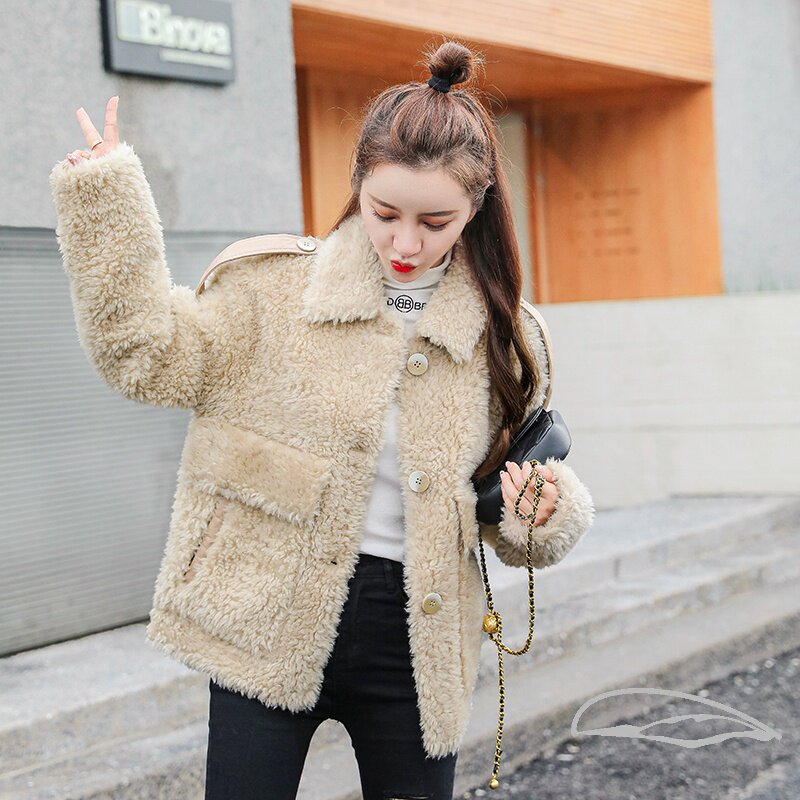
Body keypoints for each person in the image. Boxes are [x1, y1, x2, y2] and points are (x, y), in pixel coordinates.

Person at [51, 39, 595, 800]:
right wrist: (107, 201)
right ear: (358, 185)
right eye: (385, 213)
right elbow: (145, 357)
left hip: (418, 642)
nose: (406, 243)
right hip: (263, 617)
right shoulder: (268, 289)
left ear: (475, 209)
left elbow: (516, 513)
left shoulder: (510, 337)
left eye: (436, 221)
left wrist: (542, 509)